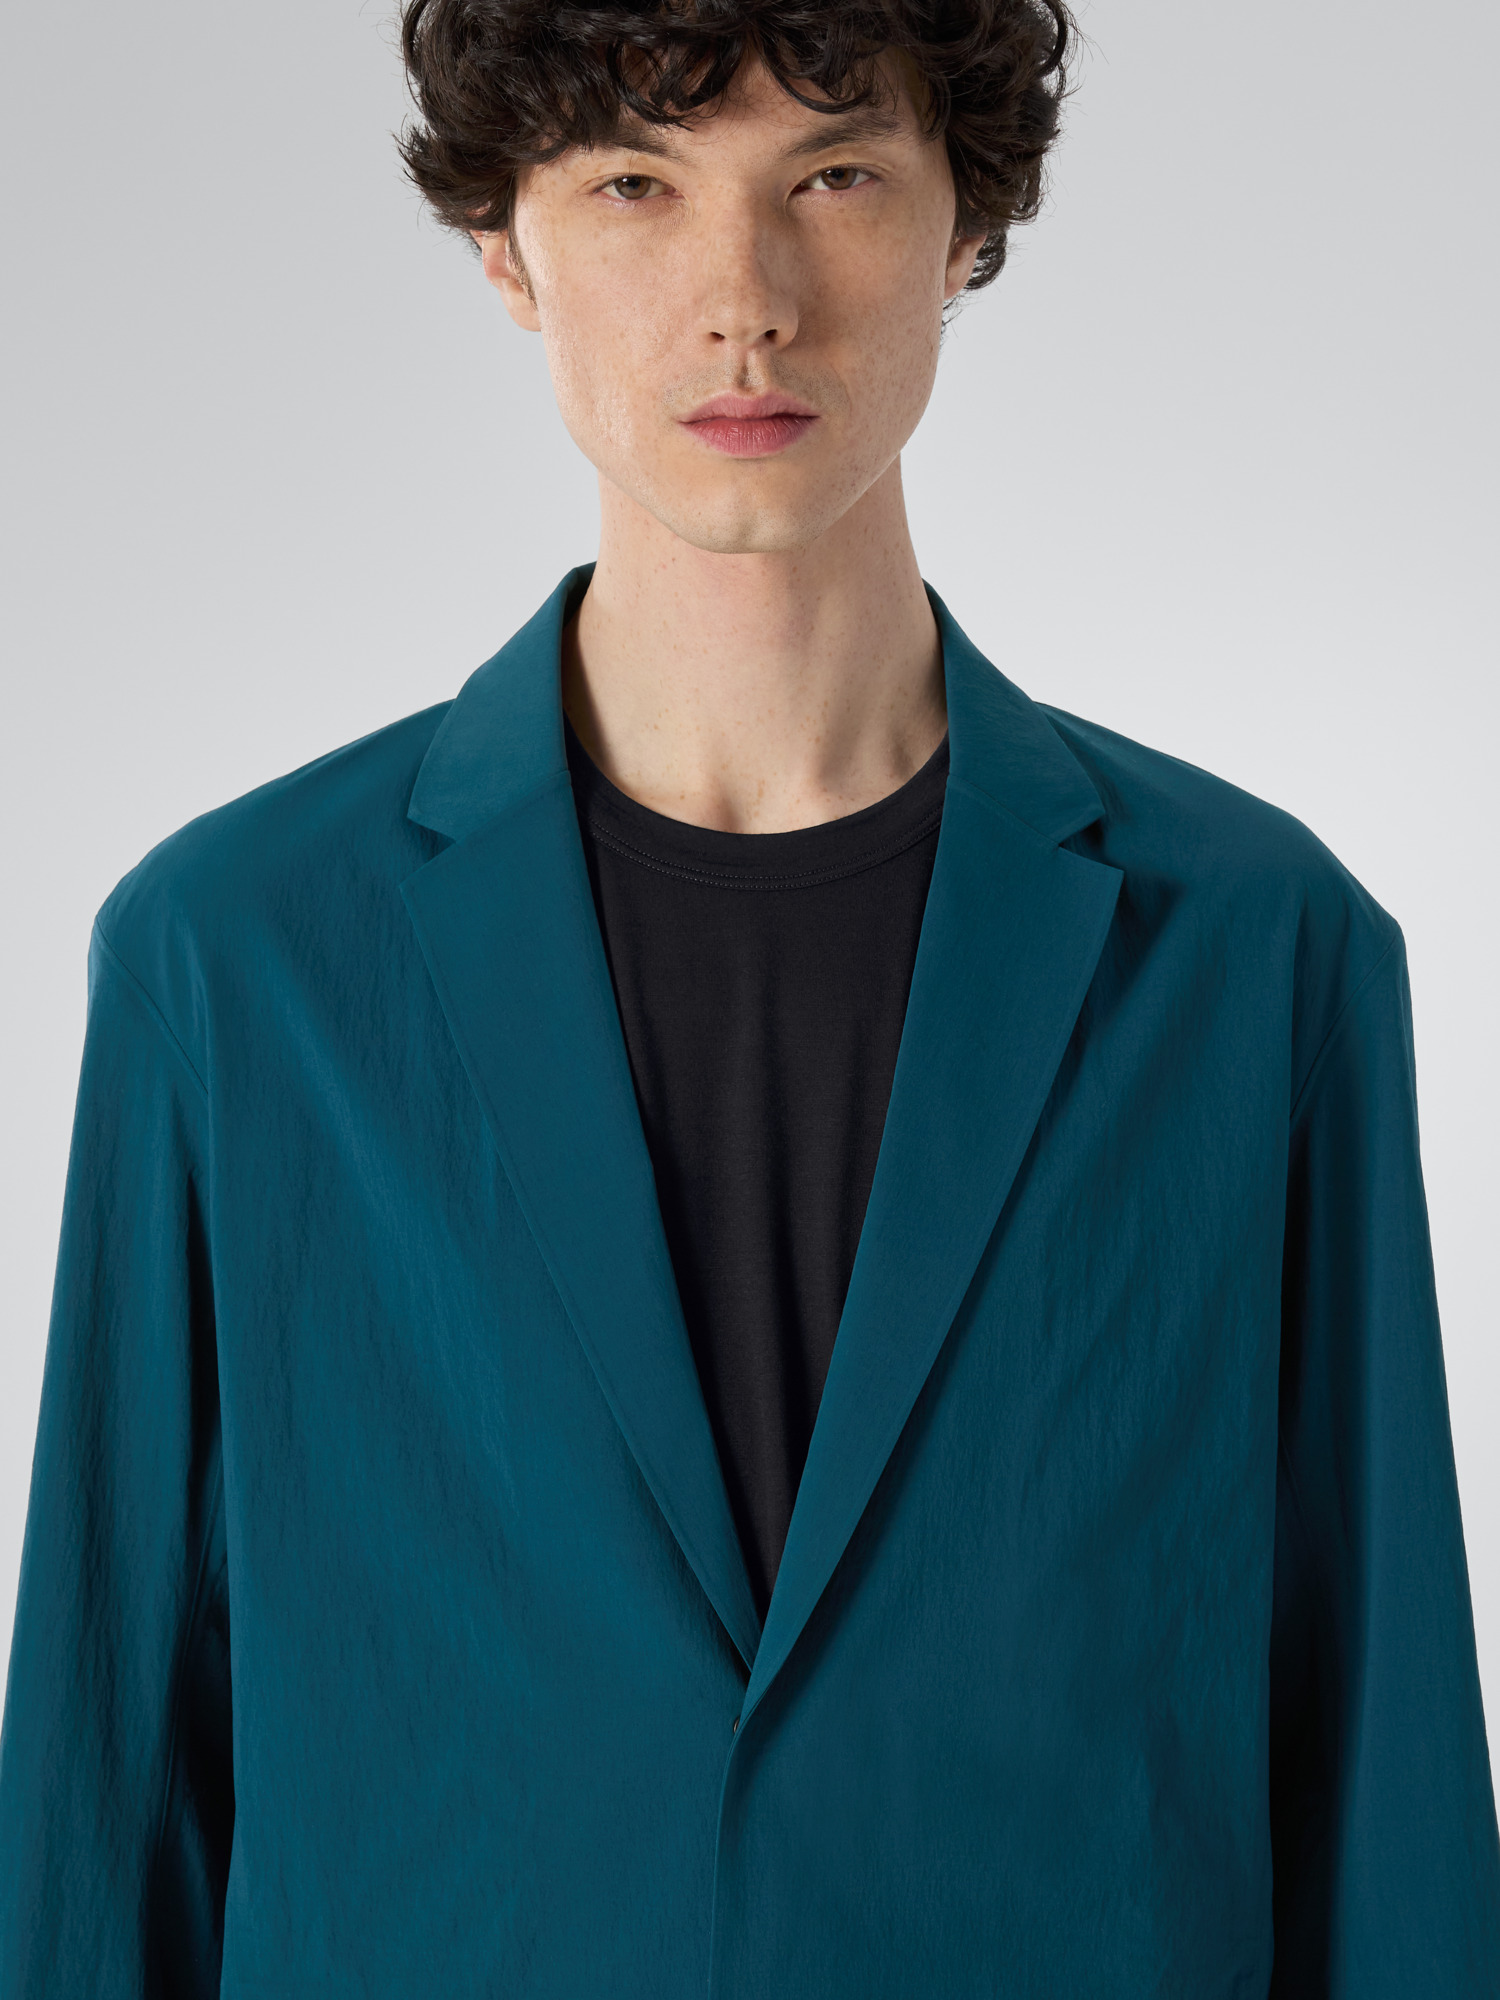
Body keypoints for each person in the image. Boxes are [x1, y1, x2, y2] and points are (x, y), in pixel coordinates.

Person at [2, 0, 1496, 1991]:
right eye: (636, 185)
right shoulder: (231, 960)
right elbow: (103, 1804)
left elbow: (1387, 1780)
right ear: (505, 244)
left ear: (968, 222)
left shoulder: (1262, 953)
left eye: (837, 177)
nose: (747, 301)